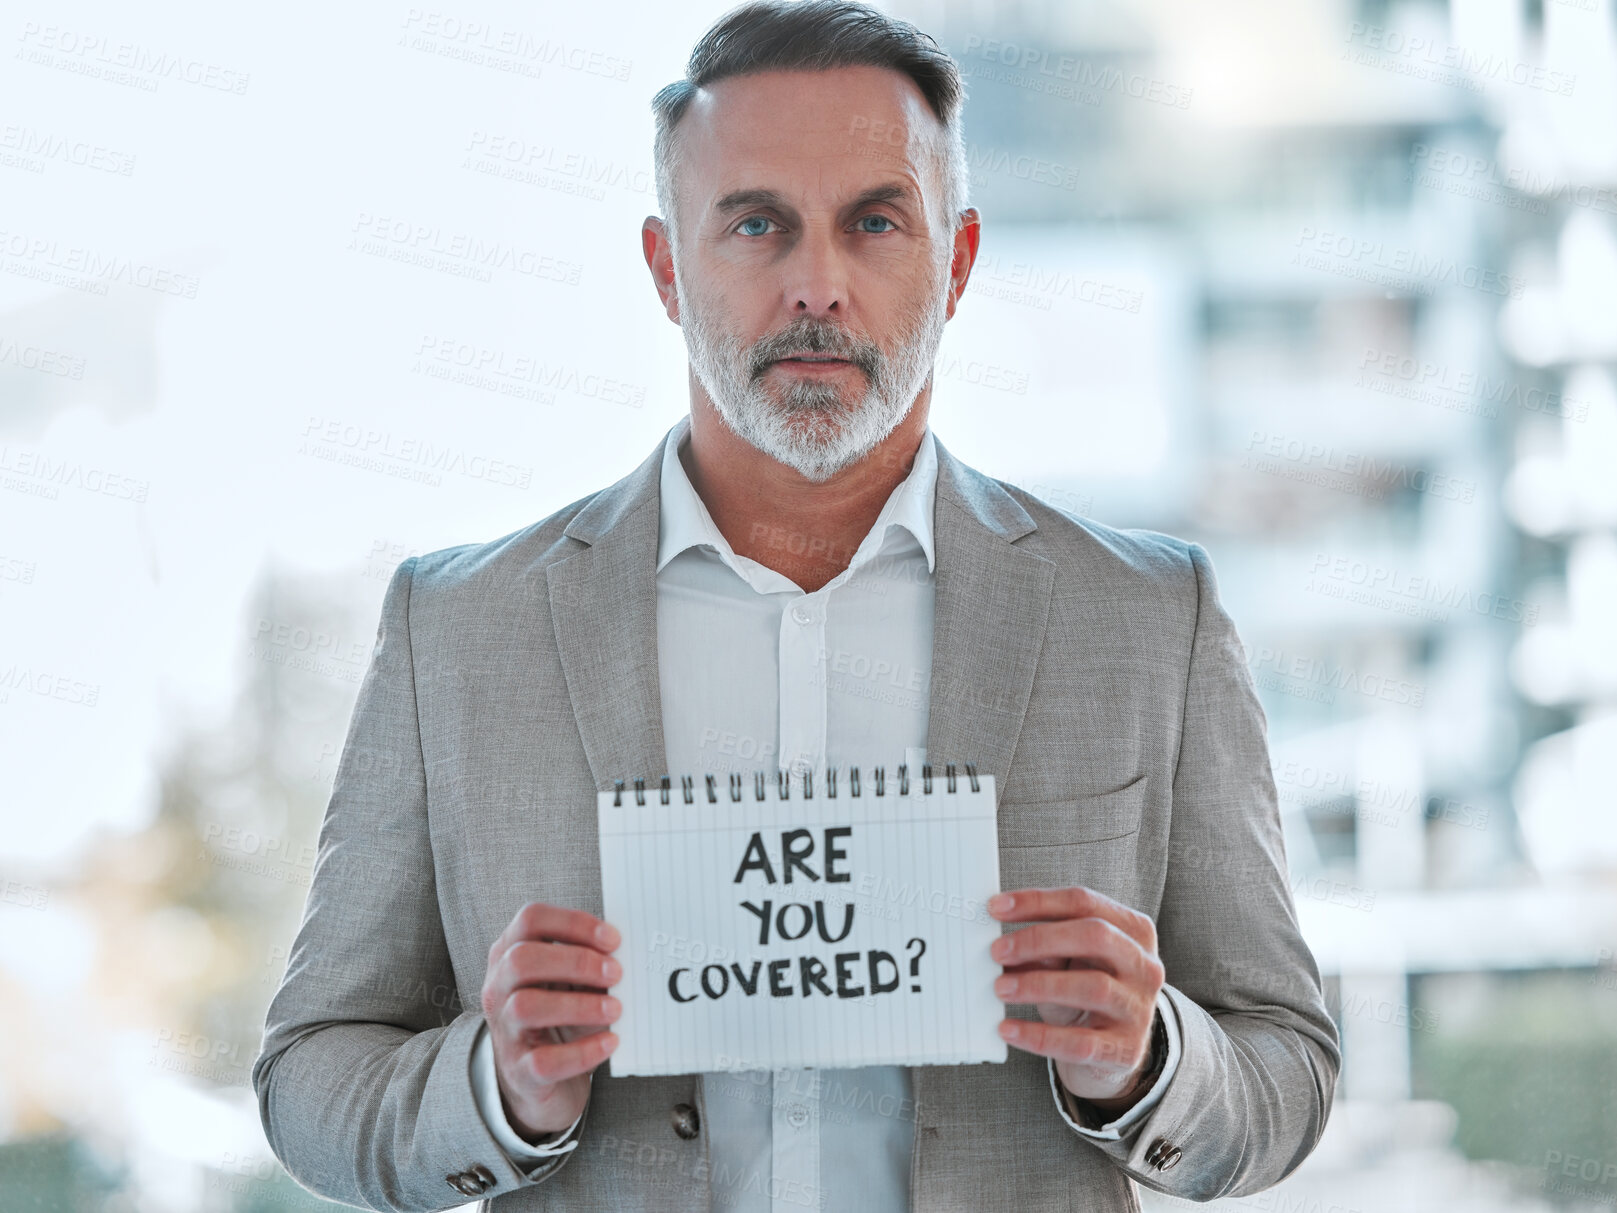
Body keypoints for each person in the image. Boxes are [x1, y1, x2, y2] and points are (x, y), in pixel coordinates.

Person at [253, 2, 1340, 1210]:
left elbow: (1285, 1065)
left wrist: (1148, 1061)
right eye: (758, 224)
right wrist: (497, 1088)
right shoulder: (456, 630)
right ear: (667, 268)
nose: (816, 286)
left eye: (874, 222)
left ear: (958, 261)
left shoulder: (1146, 619)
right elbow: (310, 1073)